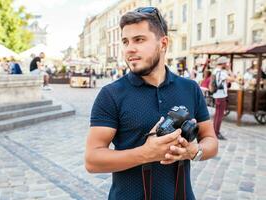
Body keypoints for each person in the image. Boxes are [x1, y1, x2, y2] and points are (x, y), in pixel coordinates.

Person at [85, 7, 218, 200]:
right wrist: (146, 153)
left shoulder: (190, 88)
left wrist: (193, 151)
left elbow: (211, 142)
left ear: (163, 43)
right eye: (125, 41)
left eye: (139, 39)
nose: (129, 48)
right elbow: (92, 161)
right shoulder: (111, 94)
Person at [212, 56, 235, 140]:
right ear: (224, 64)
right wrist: (229, 69)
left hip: (216, 95)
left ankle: (215, 131)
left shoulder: (215, 71)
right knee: (219, 115)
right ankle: (216, 132)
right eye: (226, 63)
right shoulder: (222, 72)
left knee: (217, 114)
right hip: (221, 96)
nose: (227, 64)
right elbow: (233, 79)